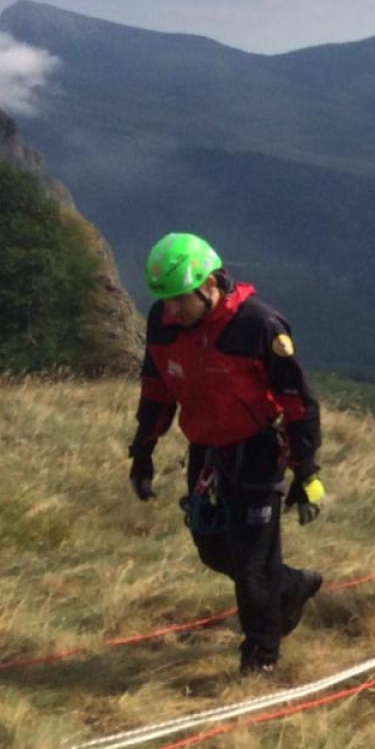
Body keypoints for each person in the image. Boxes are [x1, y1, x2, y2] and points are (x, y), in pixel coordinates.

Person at [127, 232, 325, 677]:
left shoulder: (258, 325)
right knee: (213, 548)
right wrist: (143, 452)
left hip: (257, 450)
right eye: (165, 301)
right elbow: (157, 390)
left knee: (253, 563)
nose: (171, 311)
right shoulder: (163, 324)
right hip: (207, 453)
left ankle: (261, 656)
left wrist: (305, 470)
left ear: (209, 284)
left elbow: (297, 401)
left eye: (180, 300)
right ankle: (292, 584)